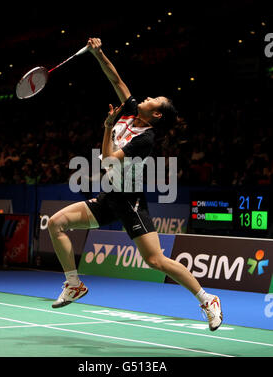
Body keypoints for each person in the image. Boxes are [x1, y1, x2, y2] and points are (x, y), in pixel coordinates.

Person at [48, 38, 223, 331]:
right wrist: (98, 52)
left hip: (130, 202)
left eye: (154, 100)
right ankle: (74, 284)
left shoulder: (146, 139)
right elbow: (115, 79)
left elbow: (107, 161)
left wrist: (106, 128)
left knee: (155, 260)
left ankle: (207, 299)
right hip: (109, 197)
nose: (146, 98)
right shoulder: (129, 110)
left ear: (156, 114)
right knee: (56, 223)